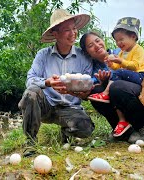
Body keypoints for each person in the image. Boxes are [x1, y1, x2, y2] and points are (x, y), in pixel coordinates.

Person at [18, 9, 94, 146]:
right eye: (67, 30)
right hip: (47, 106)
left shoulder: (84, 57)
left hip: (71, 109)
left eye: (74, 28)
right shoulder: (43, 55)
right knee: (31, 92)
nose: (73, 33)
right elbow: (30, 80)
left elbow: (88, 87)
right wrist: (47, 82)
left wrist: (78, 90)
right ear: (55, 34)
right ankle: (30, 142)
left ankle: (67, 133)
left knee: (86, 128)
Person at [78, 31, 144, 143]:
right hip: (119, 101)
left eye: (97, 41)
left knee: (117, 86)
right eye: (90, 46)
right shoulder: (92, 69)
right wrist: (103, 83)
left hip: (140, 98)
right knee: (96, 91)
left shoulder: (122, 51)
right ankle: (122, 129)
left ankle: (142, 127)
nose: (97, 46)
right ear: (87, 53)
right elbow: (87, 93)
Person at [88, 17, 144, 137]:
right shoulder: (122, 52)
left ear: (133, 36)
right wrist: (112, 65)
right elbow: (118, 69)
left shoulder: (138, 49)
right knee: (115, 80)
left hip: (140, 76)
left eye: (121, 39)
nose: (119, 43)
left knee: (118, 77)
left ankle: (141, 125)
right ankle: (122, 122)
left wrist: (120, 62)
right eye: (117, 41)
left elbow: (135, 66)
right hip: (128, 78)